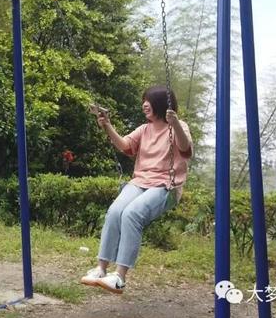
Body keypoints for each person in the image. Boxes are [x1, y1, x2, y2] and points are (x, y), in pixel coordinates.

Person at [81, 85, 193, 293]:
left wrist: (175, 123)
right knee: (115, 211)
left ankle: (119, 276)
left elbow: (185, 149)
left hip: (165, 185)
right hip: (141, 181)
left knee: (132, 214)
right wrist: (107, 125)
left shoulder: (179, 126)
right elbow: (125, 145)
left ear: (161, 104)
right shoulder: (144, 129)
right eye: (144, 101)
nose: (144, 105)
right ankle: (101, 268)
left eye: (149, 101)